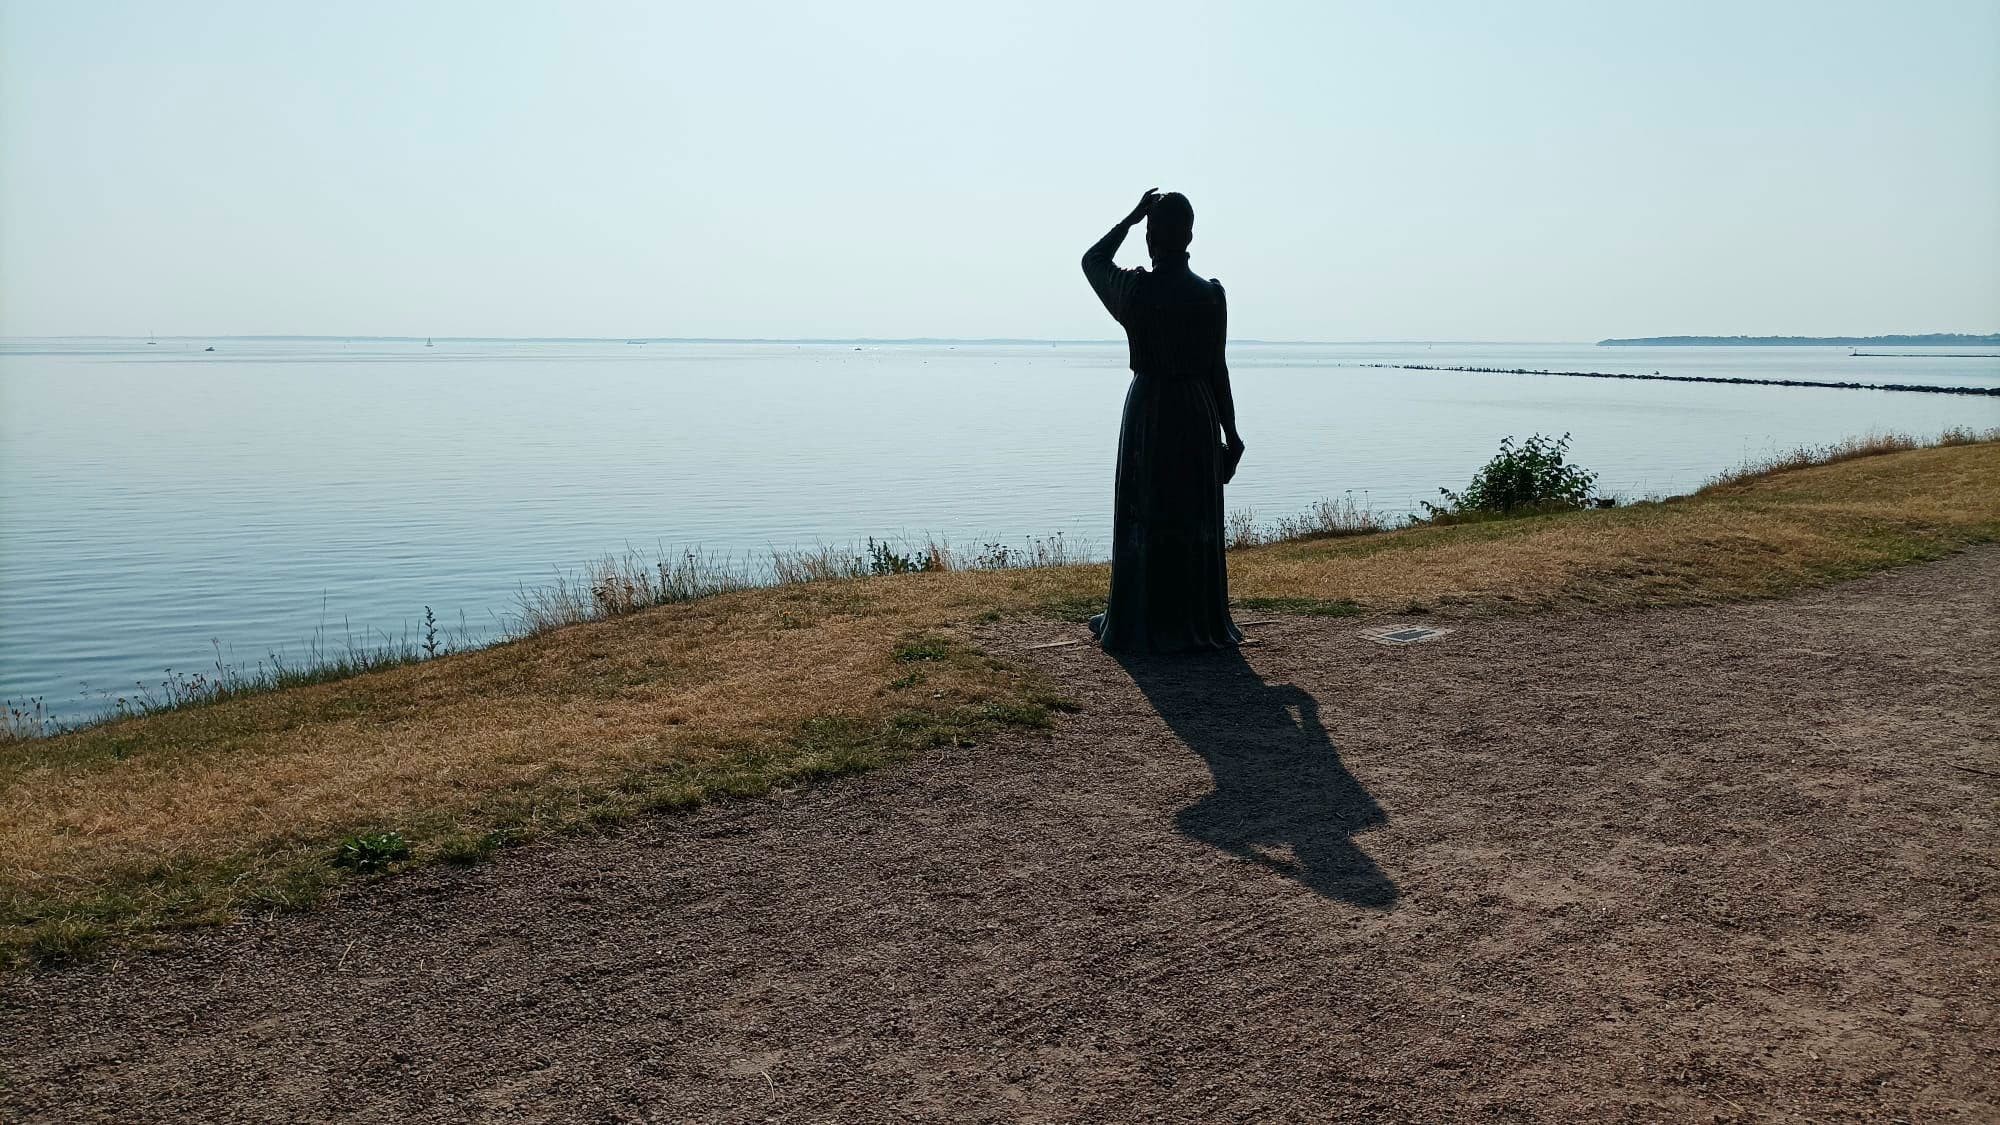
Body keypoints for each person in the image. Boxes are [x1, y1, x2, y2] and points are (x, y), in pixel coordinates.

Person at [1081, 189, 1244, 652]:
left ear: (1151, 237)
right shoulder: (1210, 295)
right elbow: (1218, 367)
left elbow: (1092, 260)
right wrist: (1230, 432)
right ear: (1190, 234)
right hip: (1197, 411)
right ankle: (1195, 617)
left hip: (1149, 410)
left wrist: (1129, 219)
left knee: (1145, 512)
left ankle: (1138, 613)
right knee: (1191, 514)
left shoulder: (1137, 290)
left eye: (1149, 230)